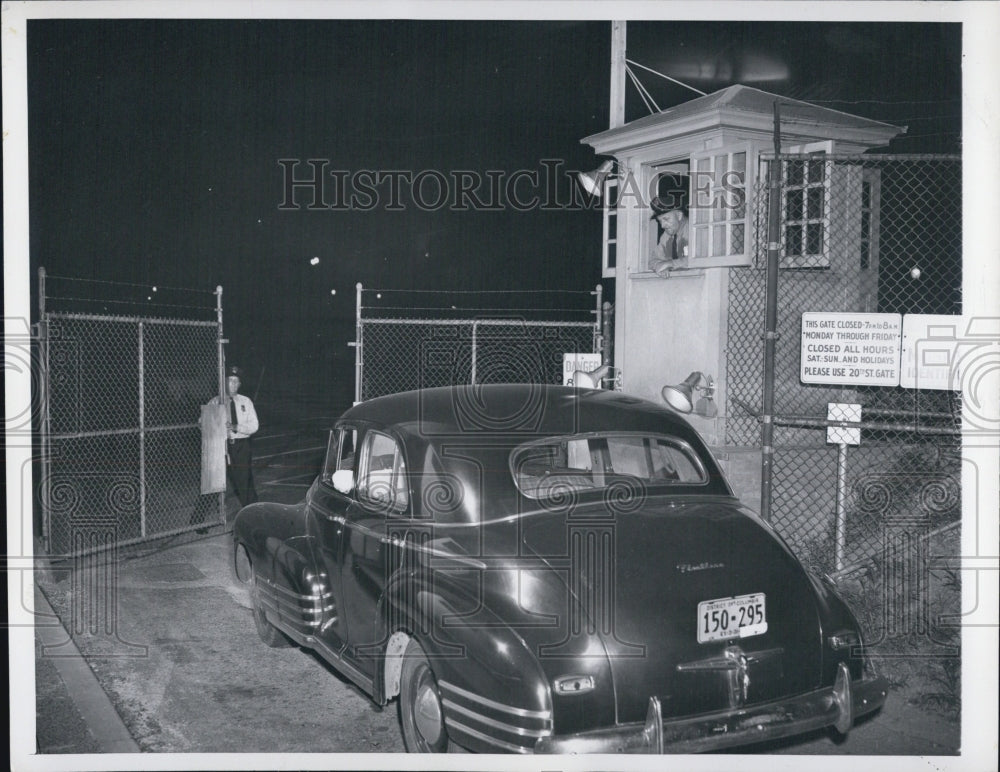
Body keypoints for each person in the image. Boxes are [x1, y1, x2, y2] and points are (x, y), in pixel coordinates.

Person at [219, 365, 259, 508]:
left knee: (244, 480)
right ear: (224, 381)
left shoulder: (245, 402)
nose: (234, 384)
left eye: (237, 381)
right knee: (214, 479)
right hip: (221, 446)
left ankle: (252, 511)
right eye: (231, 381)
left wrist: (237, 427)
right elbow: (204, 422)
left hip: (241, 446)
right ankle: (197, 520)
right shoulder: (216, 401)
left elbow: (254, 426)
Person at [648, 194, 690, 276]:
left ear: (679, 215)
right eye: (660, 221)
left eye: (666, 219)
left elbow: (701, 260)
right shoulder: (667, 235)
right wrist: (659, 266)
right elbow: (653, 260)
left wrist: (671, 264)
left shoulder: (696, 230)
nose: (662, 225)